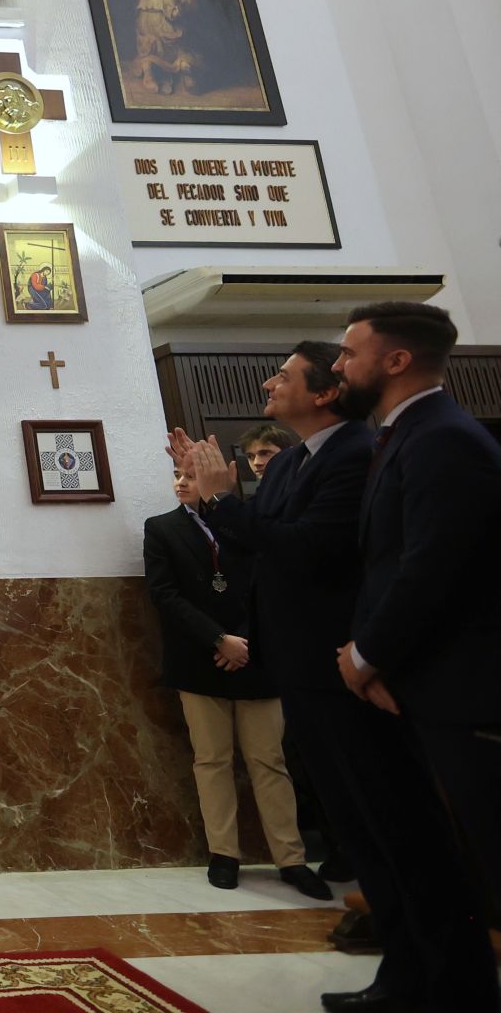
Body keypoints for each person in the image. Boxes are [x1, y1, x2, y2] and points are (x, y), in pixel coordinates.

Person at [178, 338, 492, 1012]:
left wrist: (225, 503)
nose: (268, 382)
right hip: (302, 669)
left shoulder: (354, 455)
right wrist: (213, 502)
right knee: (362, 838)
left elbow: (314, 550)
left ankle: (453, 986)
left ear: (323, 392)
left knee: (401, 835)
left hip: (347, 670)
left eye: (285, 375)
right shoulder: (293, 462)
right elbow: (259, 544)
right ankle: (405, 977)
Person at [330, 301, 501, 1012]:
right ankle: (439, 989)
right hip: (414, 686)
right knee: (432, 859)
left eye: (350, 352)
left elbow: (433, 568)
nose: (341, 364)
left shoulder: (445, 439)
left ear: (396, 360)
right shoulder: (402, 435)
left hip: (460, 693)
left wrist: (366, 656)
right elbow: (386, 563)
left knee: (484, 860)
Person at [142, 464, 321, 896]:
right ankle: (224, 854)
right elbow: (165, 594)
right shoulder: (162, 528)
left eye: (190, 474)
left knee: (269, 761)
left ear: (218, 477)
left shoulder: (246, 520)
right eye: (176, 475)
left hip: (256, 658)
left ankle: (291, 858)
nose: (181, 482)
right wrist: (219, 640)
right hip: (200, 660)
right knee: (212, 760)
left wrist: (247, 641)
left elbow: (270, 583)